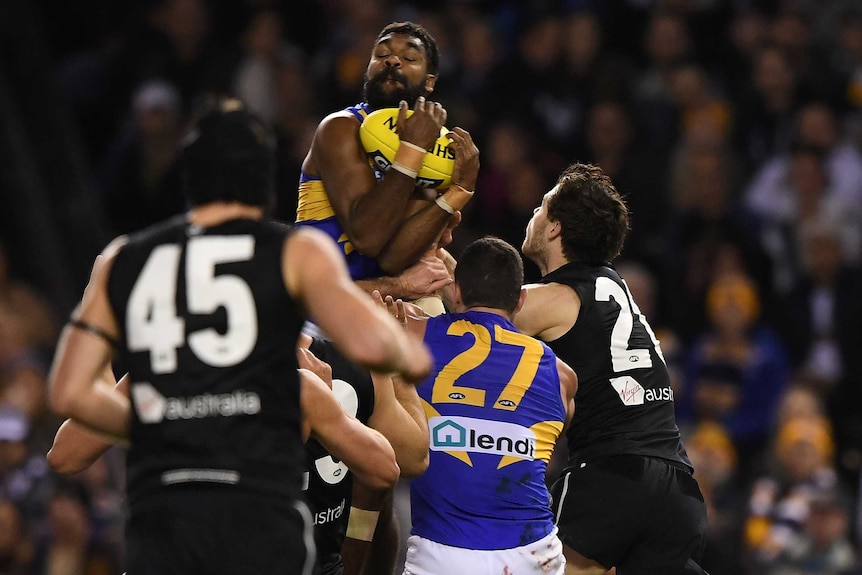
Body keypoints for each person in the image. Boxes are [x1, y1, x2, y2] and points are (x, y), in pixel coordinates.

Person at [46, 98, 432, 575]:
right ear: (263, 188)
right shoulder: (296, 259)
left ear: (188, 182)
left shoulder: (123, 262)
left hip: (163, 538)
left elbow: (67, 409)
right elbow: (388, 357)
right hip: (261, 535)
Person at [516, 163, 709, 574]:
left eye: (542, 206)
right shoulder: (618, 290)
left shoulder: (555, 296)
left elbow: (472, 314)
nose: (533, 213)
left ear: (555, 229)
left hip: (611, 476)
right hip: (678, 488)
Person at [391, 236, 578, 574]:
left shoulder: (412, 333)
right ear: (520, 300)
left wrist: (399, 284)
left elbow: (339, 298)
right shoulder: (563, 376)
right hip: (533, 554)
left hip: (443, 554)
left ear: (457, 292)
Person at [295, 21, 480, 300]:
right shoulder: (340, 128)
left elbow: (393, 258)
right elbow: (366, 238)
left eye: (408, 58)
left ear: (429, 81)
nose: (392, 60)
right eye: (381, 55)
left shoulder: (433, 152)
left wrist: (457, 192)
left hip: (373, 299)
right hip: (316, 305)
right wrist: (412, 151)